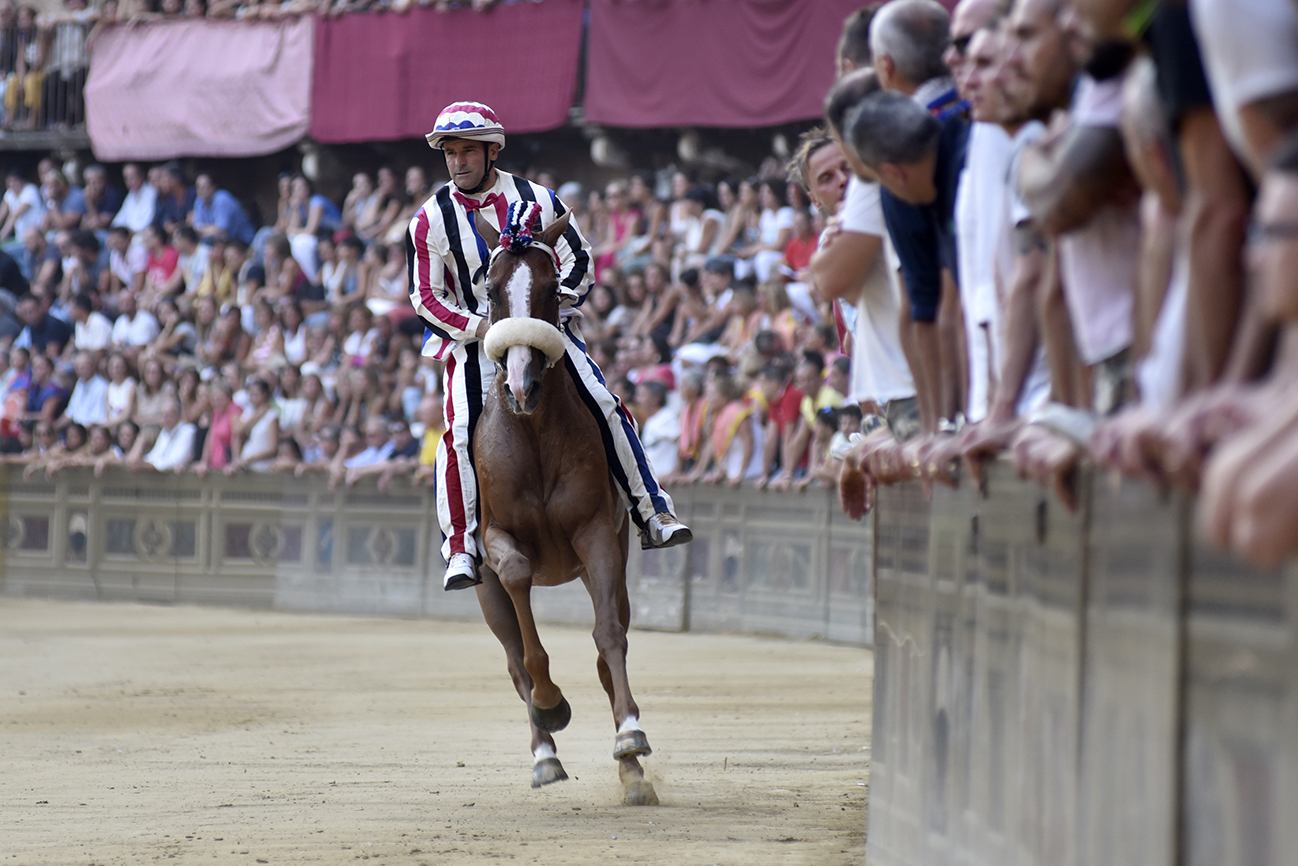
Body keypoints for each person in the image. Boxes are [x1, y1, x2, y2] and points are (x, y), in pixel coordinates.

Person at [409, 101, 690, 590]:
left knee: (605, 402)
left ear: (492, 151)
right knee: (455, 434)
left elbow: (580, 262)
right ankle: (460, 548)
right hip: (474, 344)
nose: (458, 162)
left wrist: (546, 308)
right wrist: (482, 328)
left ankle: (653, 511)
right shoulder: (429, 219)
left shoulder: (538, 199)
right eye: (450, 153)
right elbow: (427, 297)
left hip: (546, 330)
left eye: (467, 152)